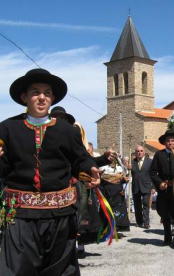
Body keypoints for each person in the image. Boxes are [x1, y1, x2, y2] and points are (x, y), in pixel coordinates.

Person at [0, 68, 100, 275]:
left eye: (47, 92)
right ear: (24, 97)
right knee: (17, 270)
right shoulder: (7, 128)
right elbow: (3, 169)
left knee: (60, 271)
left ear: (52, 98)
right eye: (35, 92)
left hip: (60, 216)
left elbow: (80, 159)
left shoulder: (67, 130)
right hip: (20, 216)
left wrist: (90, 169)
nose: (42, 97)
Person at [150, 130, 174, 249]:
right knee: (165, 213)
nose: (170, 143)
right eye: (168, 141)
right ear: (164, 143)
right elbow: (152, 172)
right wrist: (159, 182)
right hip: (164, 188)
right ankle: (167, 237)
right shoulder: (159, 154)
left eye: (172, 140)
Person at [131, 145, 154, 228]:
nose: (139, 153)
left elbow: (153, 174)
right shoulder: (132, 162)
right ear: (135, 153)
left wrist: (153, 187)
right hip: (136, 186)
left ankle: (146, 222)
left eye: (141, 151)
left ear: (144, 152)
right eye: (138, 151)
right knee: (137, 205)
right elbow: (129, 173)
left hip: (146, 185)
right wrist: (128, 169)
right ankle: (139, 221)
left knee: (146, 204)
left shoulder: (150, 161)